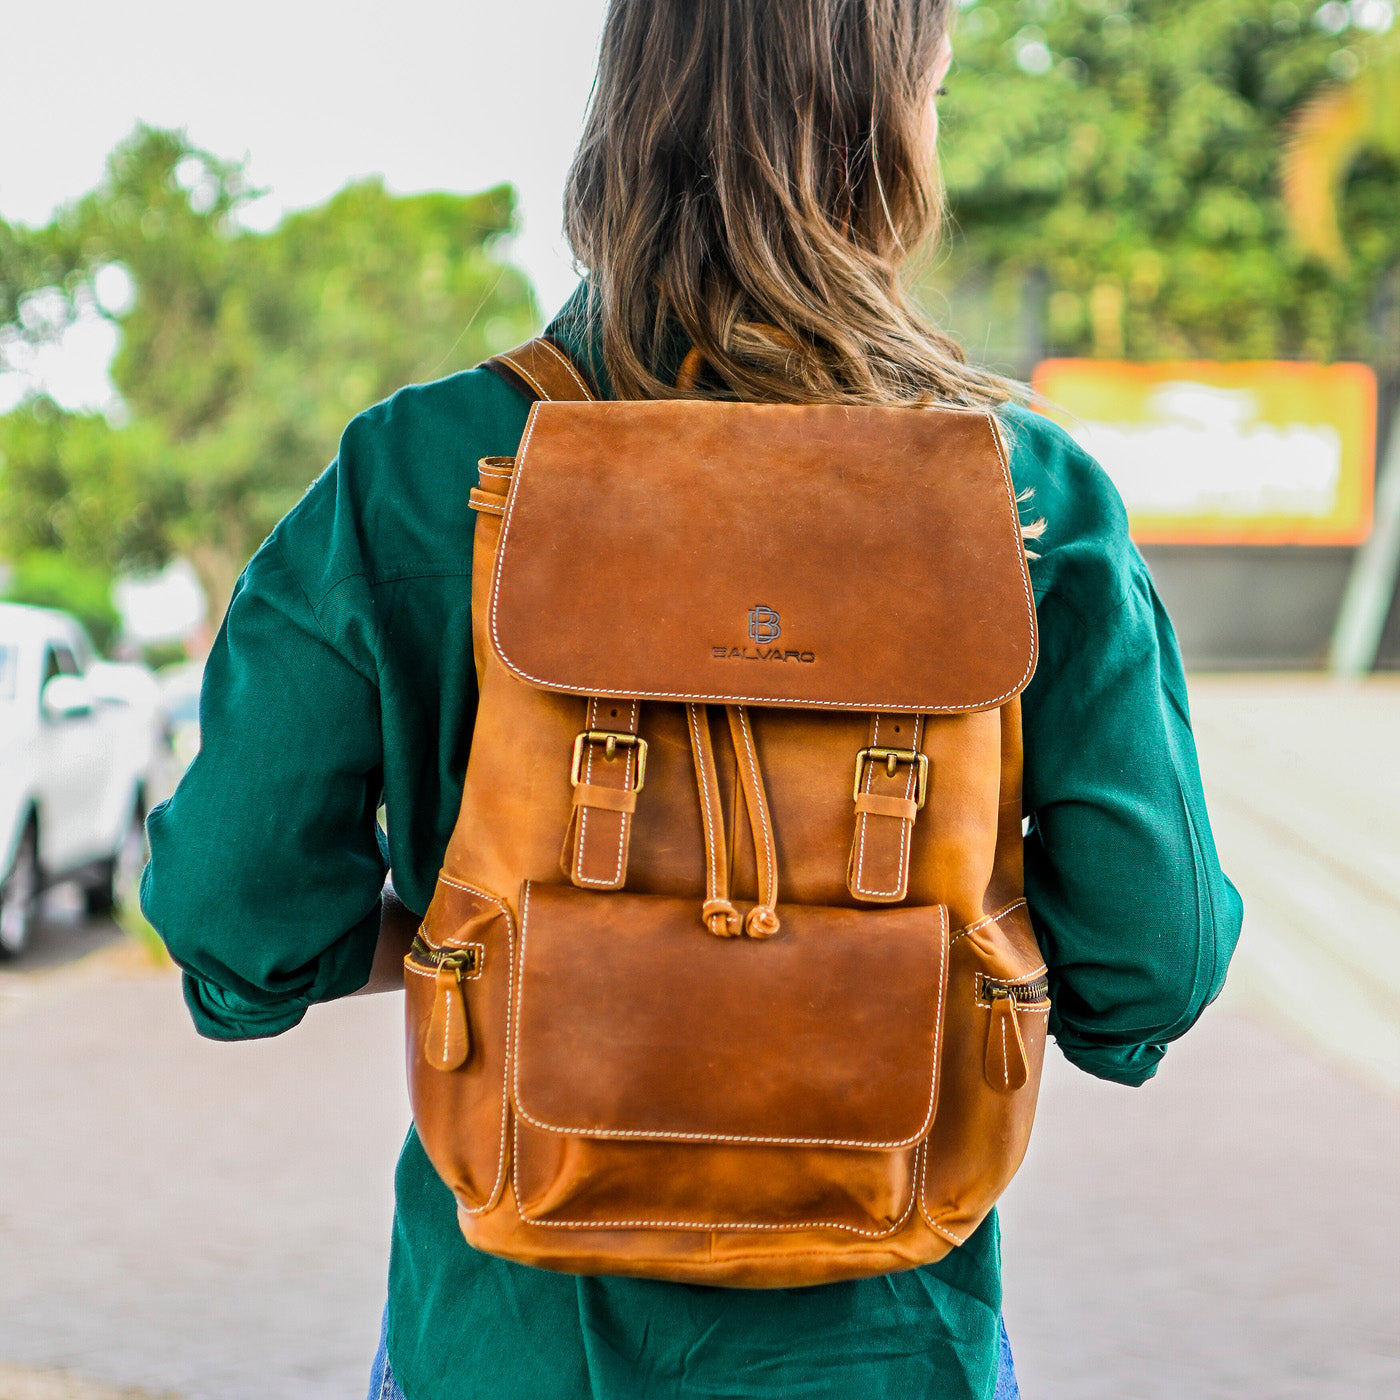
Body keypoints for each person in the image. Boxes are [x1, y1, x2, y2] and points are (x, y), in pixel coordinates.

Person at [140, 2, 1243, 1398]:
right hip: (890, 1351)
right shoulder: (1020, 496)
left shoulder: (418, 471)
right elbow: (1154, 960)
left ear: (627, 106)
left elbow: (234, 911)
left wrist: (484, 933)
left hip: (501, 1347)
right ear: (890, 128)